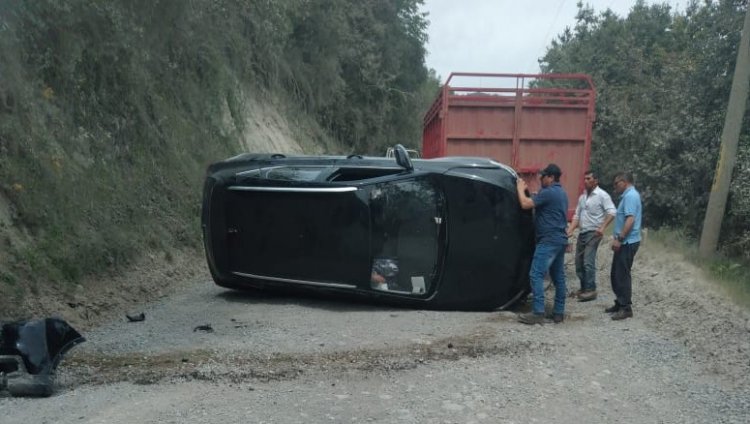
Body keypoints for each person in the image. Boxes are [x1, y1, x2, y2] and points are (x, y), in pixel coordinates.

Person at [516, 164, 569, 325]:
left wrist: (519, 188)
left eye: (543, 177)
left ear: (551, 177)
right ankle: (558, 312)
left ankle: (538, 312)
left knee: (536, 274)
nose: (540, 179)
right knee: (558, 277)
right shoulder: (561, 193)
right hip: (560, 239)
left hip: (548, 240)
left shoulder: (548, 193)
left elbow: (525, 204)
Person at [566, 170, 616, 302]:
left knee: (588, 261)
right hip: (583, 232)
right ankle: (583, 288)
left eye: (589, 179)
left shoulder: (602, 195)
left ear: (596, 181)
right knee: (578, 262)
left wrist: (603, 227)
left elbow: (612, 212)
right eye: (585, 179)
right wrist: (570, 230)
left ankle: (591, 289)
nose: (586, 181)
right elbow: (577, 215)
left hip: (594, 233)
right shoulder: (582, 197)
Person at [607, 171, 642, 320]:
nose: (614, 187)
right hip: (625, 241)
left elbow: (630, 220)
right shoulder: (628, 196)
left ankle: (626, 307)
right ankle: (619, 302)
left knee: (622, 275)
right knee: (616, 274)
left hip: (627, 242)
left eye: (616, 183)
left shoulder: (630, 196)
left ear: (624, 182)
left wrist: (619, 239)